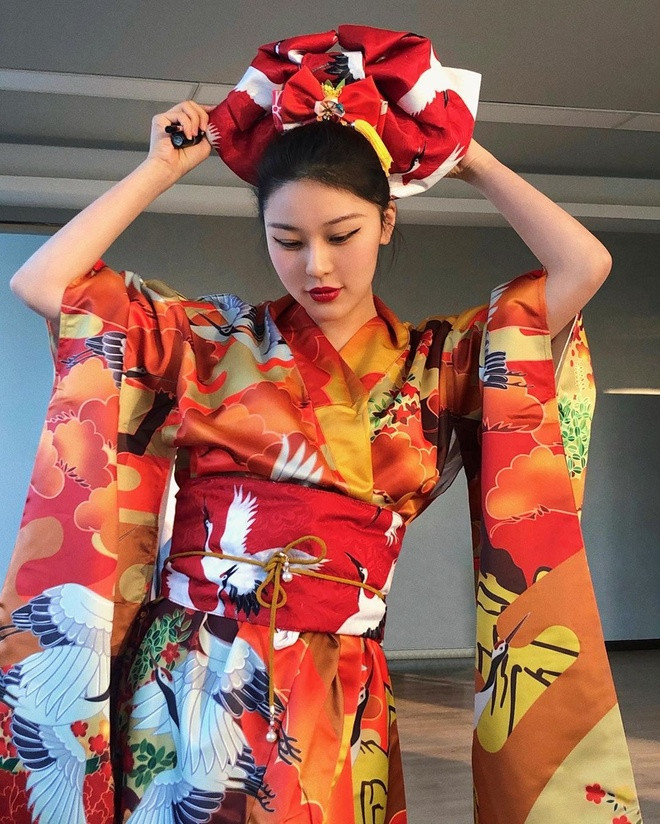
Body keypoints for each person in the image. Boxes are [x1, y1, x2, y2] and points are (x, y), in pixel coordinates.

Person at [1, 24, 642, 824]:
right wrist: (158, 170)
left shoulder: (437, 364)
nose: (318, 266)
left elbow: (584, 266)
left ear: (386, 221)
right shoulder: (211, 341)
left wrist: (466, 154)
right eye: (288, 240)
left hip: (340, 679)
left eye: (342, 235)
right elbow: (45, 283)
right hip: (192, 665)